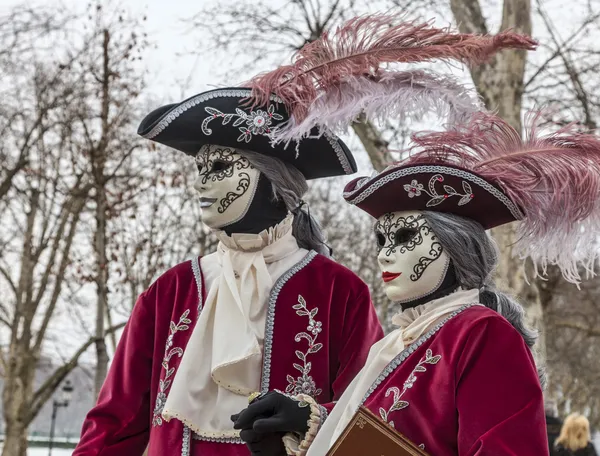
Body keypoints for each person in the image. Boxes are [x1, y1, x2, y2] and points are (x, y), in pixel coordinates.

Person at [233, 109, 600, 455]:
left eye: (405, 238)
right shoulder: (397, 343)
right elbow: (385, 432)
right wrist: (300, 423)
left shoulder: (482, 333)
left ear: (454, 248)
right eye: (382, 240)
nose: (384, 254)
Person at [72, 84, 384, 456]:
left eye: (219, 167)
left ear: (274, 182)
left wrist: (308, 419)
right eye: (200, 167)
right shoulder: (171, 290)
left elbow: (368, 415)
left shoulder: (338, 291)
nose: (201, 181)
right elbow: (114, 423)